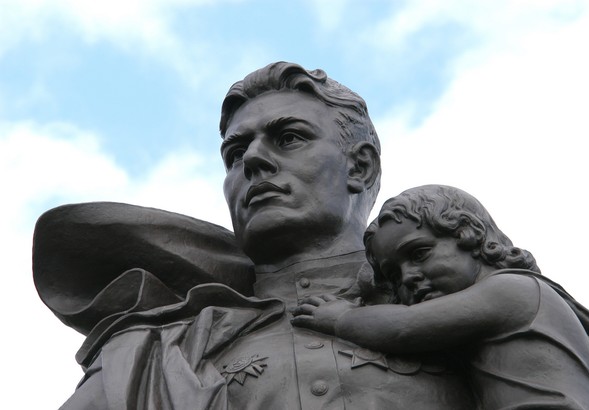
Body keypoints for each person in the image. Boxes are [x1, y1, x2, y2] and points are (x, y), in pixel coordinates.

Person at [35, 62, 478, 409]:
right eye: (234, 153)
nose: (253, 161)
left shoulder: (462, 297)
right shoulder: (157, 348)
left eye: (288, 138)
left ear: (360, 167)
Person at [292, 184, 589, 409]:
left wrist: (342, 318)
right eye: (393, 275)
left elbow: (404, 328)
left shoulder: (512, 291)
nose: (408, 277)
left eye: (419, 254)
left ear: (470, 237)